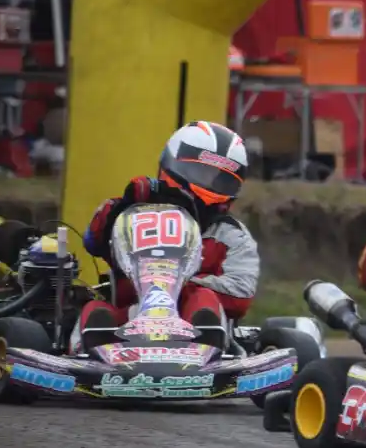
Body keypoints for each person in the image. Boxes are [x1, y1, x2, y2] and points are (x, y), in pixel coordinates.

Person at [77, 120, 259, 348]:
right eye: (200, 172)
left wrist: (171, 281)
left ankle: (208, 349)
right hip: (128, 321)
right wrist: (121, 207)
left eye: (220, 180)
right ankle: (92, 354)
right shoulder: (133, 216)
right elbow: (93, 241)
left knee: (203, 300)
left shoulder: (231, 236)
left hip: (191, 330)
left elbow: (239, 295)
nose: (210, 185)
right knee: (95, 310)